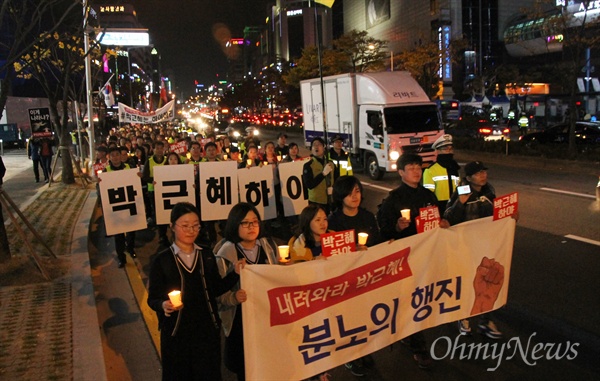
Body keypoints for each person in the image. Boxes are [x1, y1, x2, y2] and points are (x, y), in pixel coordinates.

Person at [147, 202, 245, 381]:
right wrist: (163, 305)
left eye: (195, 225)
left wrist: (234, 274)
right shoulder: (162, 260)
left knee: (208, 374)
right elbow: (153, 297)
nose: (191, 230)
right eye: (185, 226)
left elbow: (215, 288)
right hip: (177, 332)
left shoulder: (206, 255)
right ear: (172, 227)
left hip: (206, 330)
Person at [377, 153, 448, 369]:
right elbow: (384, 232)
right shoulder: (393, 199)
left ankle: (408, 333)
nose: (416, 171)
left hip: (426, 255)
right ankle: (419, 347)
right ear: (400, 172)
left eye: (419, 167)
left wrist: (443, 222)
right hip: (405, 259)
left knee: (421, 298)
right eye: (411, 167)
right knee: (413, 299)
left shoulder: (428, 195)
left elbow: (438, 219)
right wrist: (398, 227)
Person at [443, 160, 507, 339]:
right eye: (478, 173)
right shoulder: (463, 190)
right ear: (469, 178)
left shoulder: (489, 191)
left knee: (487, 283)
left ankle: (486, 321)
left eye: (484, 172)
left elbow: (497, 213)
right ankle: (463, 317)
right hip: (466, 246)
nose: (483, 176)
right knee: (467, 281)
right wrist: (460, 204)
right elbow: (449, 216)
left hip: (486, 245)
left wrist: (509, 216)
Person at [214, 203, 278, 381]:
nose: (252, 227)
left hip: (267, 316)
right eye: (245, 223)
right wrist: (234, 298)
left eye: (255, 222)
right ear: (235, 225)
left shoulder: (267, 246)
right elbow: (217, 292)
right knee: (246, 367)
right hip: (241, 323)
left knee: (269, 362)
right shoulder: (226, 253)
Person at [327, 175, 380, 376]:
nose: (354, 196)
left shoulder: (367, 217)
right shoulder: (334, 221)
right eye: (349, 193)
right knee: (348, 320)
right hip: (345, 281)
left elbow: (379, 243)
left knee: (366, 316)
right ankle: (351, 356)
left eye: (357, 191)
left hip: (367, 277)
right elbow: (331, 254)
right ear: (341, 197)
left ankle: (365, 351)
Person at [103, 147, 136, 267]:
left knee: (132, 229)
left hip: (129, 203)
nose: (116, 157)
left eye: (117, 155)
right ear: (109, 157)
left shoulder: (129, 168)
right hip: (115, 205)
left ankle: (131, 249)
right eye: (113, 155)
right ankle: (121, 257)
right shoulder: (106, 171)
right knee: (118, 234)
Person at [422, 134, 460, 214]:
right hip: (439, 209)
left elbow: (458, 188)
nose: (449, 151)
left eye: (451, 149)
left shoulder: (454, 168)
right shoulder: (430, 170)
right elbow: (428, 196)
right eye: (446, 149)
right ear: (438, 151)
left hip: (455, 207)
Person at [302, 137, 335, 215]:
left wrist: (334, 189)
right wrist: (323, 174)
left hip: (330, 200)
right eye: (314, 145)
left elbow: (336, 179)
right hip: (316, 202)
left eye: (319, 144)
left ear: (323, 148)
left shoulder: (331, 164)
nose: (316, 146)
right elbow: (309, 185)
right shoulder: (308, 165)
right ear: (311, 149)